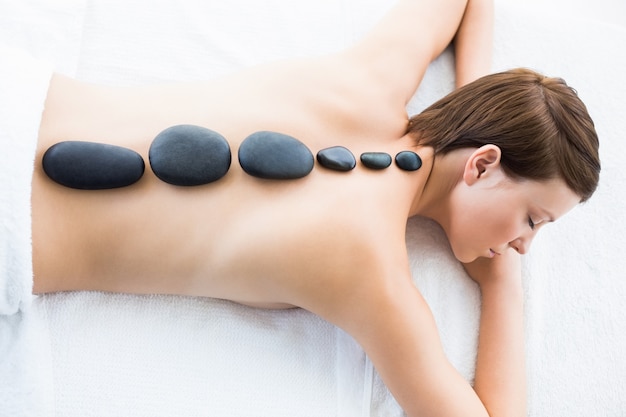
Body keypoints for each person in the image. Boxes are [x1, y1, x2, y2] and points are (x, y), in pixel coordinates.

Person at [29, 0, 600, 416]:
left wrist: (488, 108)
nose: (523, 247)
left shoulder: (369, 77)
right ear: (481, 165)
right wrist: (503, 286)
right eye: (532, 220)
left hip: (22, 96)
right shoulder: (368, 273)